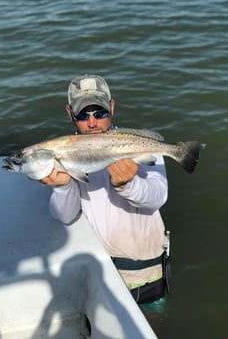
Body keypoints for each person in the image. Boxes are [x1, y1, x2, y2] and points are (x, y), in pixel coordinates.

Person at [42, 74, 170, 305]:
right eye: (83, 114)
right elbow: (66, 216)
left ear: (111, 108)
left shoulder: (139, 143)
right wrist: (64, 186)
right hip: (99, 268)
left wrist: (128, 184)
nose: (92, 123)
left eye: (99, 113)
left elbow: (158, 198)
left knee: (151, 322)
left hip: (144, 269)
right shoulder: (66, 151)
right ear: (70, 114)